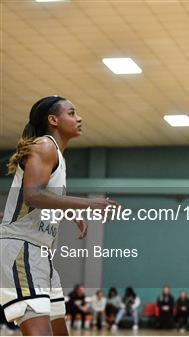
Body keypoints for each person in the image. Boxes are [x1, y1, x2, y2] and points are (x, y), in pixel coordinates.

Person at [0, 96, 117, 335]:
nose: (79, 118)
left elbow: (44, 198)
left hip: (42, 255)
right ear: (53, 119)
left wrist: (71, 211)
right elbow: (33, 195)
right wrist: (88, 205)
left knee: (60, 332)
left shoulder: (56, 155)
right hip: (21, 251)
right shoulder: (44, 145)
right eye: (72, 113)